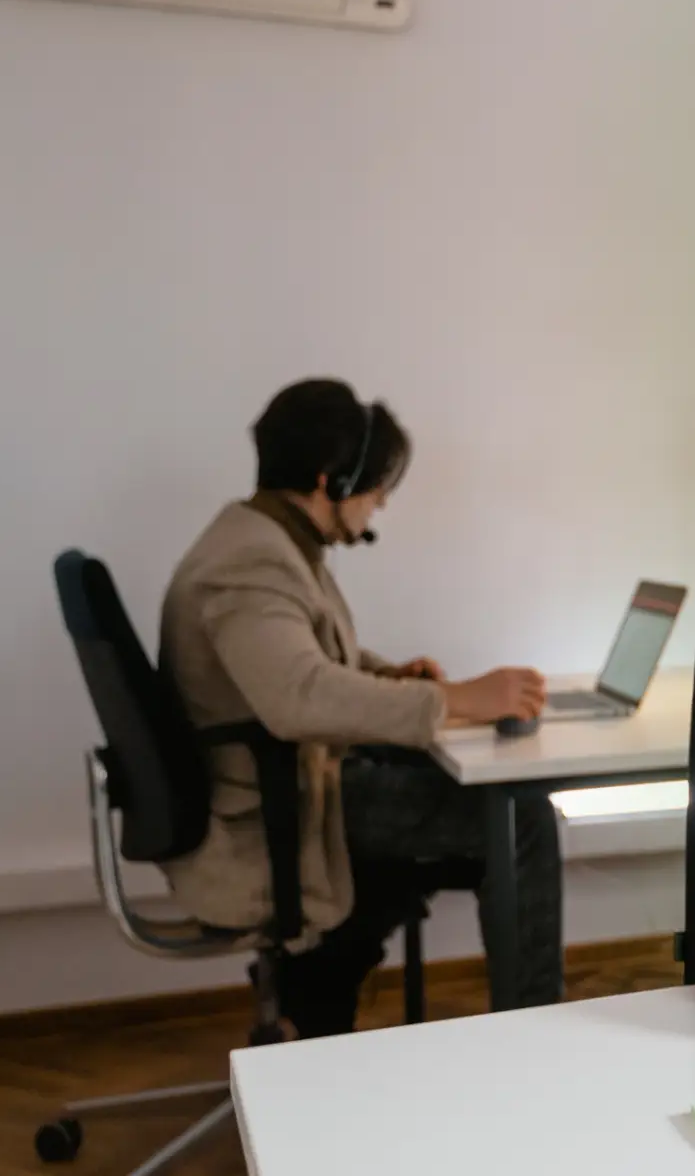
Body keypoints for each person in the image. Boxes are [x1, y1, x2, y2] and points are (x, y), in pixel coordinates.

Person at [159, 378, 561, 1037]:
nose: (379, 504)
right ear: (332, 480)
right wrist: (457, 699)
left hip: (291, 783)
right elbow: (298, 697)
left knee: (489, 804)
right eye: (375, 488)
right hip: (280, 809)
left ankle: (324, 988)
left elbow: (302, 656)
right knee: (520, 819)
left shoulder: (267, 538)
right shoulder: (252, 561)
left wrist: (389, 677)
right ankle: (537, 1036)